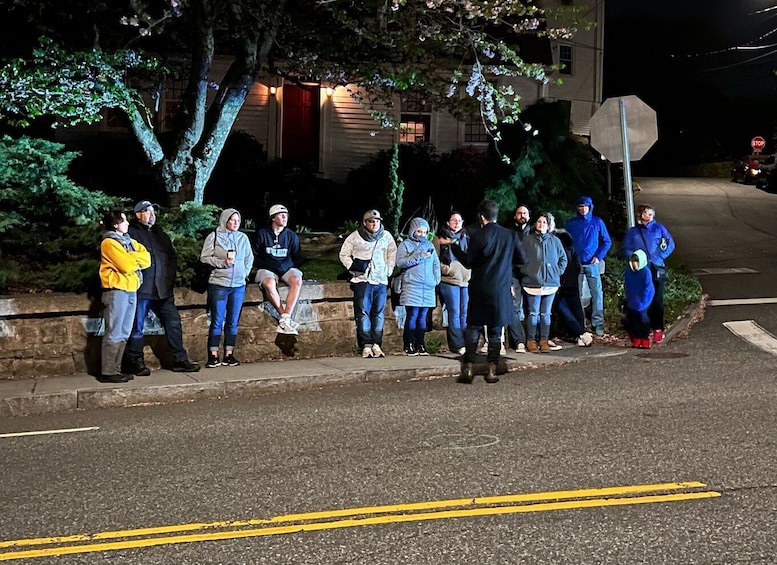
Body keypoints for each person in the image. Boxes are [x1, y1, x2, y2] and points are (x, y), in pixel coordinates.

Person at [440, 199, 526, 384]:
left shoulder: (477, 235)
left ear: (481, 216)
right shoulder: (510, 235)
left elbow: (469, 261)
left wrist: (453, 246)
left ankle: (469, 366)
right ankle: (492, 370)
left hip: (480, 287)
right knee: (495, 329)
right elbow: (522, 259)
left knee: (474, 326)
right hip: (501, 288)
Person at [123, 201, 200, 376]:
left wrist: (169, 278)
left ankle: (179, 359)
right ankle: (135, 361)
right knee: (137, 326)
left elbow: (171, 258)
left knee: (173, 323)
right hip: (142, 290)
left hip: (163, 290)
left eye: (153, 211)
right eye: (147, 211)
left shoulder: (160, 234)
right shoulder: (131, 233)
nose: (152, 214)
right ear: (138, 214)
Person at [98, 210, 151, 383]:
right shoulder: (109, 242)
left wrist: (130, 256)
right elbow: (127, 265)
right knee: (114, 331)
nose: (127, 223)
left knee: (124, 331)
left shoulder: (129, 242)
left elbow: (147, 258)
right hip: (116, 290)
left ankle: (117, 369)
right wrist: (133, 259)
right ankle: (108, 370)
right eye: (124, 220)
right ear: (115, 225)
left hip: (130, 289)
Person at [338, 209, 397, 358]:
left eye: (377, 221)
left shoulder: (386, 236)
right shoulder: (355, 237)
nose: (375, 224)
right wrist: (352, 268)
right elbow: (344, 253)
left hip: (381, 280)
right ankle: (366, 344)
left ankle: (377, 343)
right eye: (371, 221)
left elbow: (392, 253)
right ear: (365, 223)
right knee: (363, 312)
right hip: (363, 280)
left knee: (378, 313)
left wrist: (388, 270)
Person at [200, 208, 254, 368]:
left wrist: (244, 273)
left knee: (233, 320)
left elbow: (249, 258)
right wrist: (221, 264)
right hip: (219, 284)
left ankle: (229, 353)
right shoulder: (214, 236)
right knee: (217, 320)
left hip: (238, 285)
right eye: (232, 220)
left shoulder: (243, 238)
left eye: (238, 220)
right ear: (225, 221)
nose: (236, 223)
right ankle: (213, 354)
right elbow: (204, 257)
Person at [622, 203, 675, 344]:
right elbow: (626, 248)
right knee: (641, 298)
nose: (650, 215)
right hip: (639, 269)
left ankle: (658, 328)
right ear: (640, 215)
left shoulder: (659, 229)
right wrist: (634, 259)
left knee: (657, 299)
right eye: (646, 213)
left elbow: (670, 244)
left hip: (656, 267)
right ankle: (641, 330)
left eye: (651, 213)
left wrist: (661, 256)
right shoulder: (633, 232)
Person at [253, 203, 304, 335]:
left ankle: (286, 317)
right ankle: (285, 317)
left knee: (297, 280)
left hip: (286, 268)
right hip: (267, 268)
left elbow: (297, 256)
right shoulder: (262, 233)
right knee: (269, 283)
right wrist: (264, 265)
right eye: (281, 215)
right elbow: (254, 254)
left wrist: (289, 267)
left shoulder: (291, 236)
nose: (284, 218)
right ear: (273, 218)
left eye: (286, 215)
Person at [564, 196, 611, 336]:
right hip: (576, 265)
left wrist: (599, 256)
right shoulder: (571, 224)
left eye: (585, 206)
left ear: (590, 207)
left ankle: (598, 323)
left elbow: (606, 241)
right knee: (576, 295)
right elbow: (565, 243)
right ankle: (580, 324)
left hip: (592, 264)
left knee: (597, 294)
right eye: (580, 206)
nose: (583, 209)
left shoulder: (597, 222)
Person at [521, 212, 567, 353]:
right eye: (539, 222)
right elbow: (519, 258)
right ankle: (531, 341)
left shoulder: (555, 241)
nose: (542, 225)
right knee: (533, 313)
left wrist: (556, 272)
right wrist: (528, 271)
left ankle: (544, 340)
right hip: (532, 282)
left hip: (551, 283)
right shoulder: (528, 240)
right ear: (535, 224)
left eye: (544, 222)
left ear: (549, 225)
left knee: (546, 314)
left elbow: (563, 259)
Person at [397, 217, 441, 356]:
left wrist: (436, 279)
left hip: (428, 287)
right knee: (412, 315)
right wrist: (418, 256)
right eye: (419, 231)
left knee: (423, 317)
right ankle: (408, 344)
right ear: (413, 231)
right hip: (412, 285)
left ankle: (420, 344)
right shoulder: (405, 245)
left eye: (424, 232)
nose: (422, 234)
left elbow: (436, 264)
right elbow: (400, 262)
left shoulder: (430, 245)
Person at [549, 217, 593, 348]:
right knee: (575, 307)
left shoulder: (553, 241)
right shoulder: (567, 239)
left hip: (560, 280)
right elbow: (575, 258)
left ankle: (580, 333)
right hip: (572, 277)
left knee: (563, 309)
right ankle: (580, 334)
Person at [433, 211, 470, 355]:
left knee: (464, 313)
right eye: (453, 220)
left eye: (459, 220)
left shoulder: (467, 237)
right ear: (448, 223)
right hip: (449, 280)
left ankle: (466, 342)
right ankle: (458, 344)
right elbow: (435, 260)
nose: (456, 223)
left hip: (465, 280)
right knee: (454, 312)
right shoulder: (440, 238)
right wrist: (447, 269)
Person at [505, 205, 531, 352]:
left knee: (532, 308)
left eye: (525, 213)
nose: (522, 215)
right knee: (514, 307)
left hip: (531, 275)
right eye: (519, 213)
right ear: (515, 216)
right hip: (513, 274)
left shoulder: (533, 232)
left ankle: (534, 339)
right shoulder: (508, 233)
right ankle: (519, 341)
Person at [624, 250, 655, 349]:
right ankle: (637, 337)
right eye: (633, 261)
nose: (634, 264)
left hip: (644, 300)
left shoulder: (646, 272)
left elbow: (647, 288)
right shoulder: (629, 272)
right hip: (633, 299)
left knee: (643, 318)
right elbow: (627, 285)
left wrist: (642, 301)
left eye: (636, 261)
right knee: (634, 319)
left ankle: (645, 338)